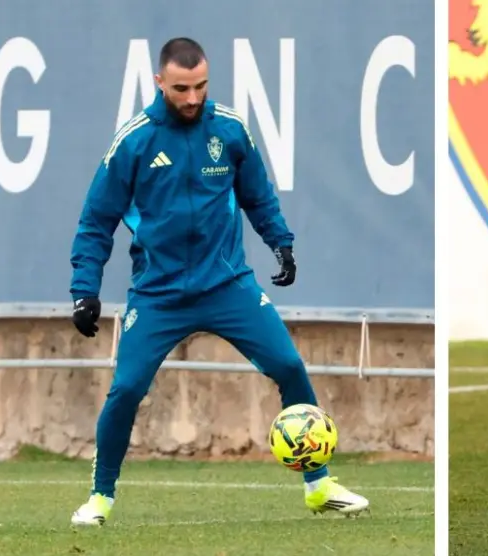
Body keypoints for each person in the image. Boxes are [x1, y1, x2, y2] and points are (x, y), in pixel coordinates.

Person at [68, 37, 370, 526]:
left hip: (228, 284)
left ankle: (319, 486)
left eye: (201, 86)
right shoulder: (134, 141)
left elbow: (257, 195)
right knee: (125, 390)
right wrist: (85, 289)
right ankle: (100, 497)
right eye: (181, 89)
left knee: (290, 365)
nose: (193, 98)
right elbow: (95, 221)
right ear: (159, 82)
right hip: (159, 294)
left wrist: (281, 242)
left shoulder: (229, 129)